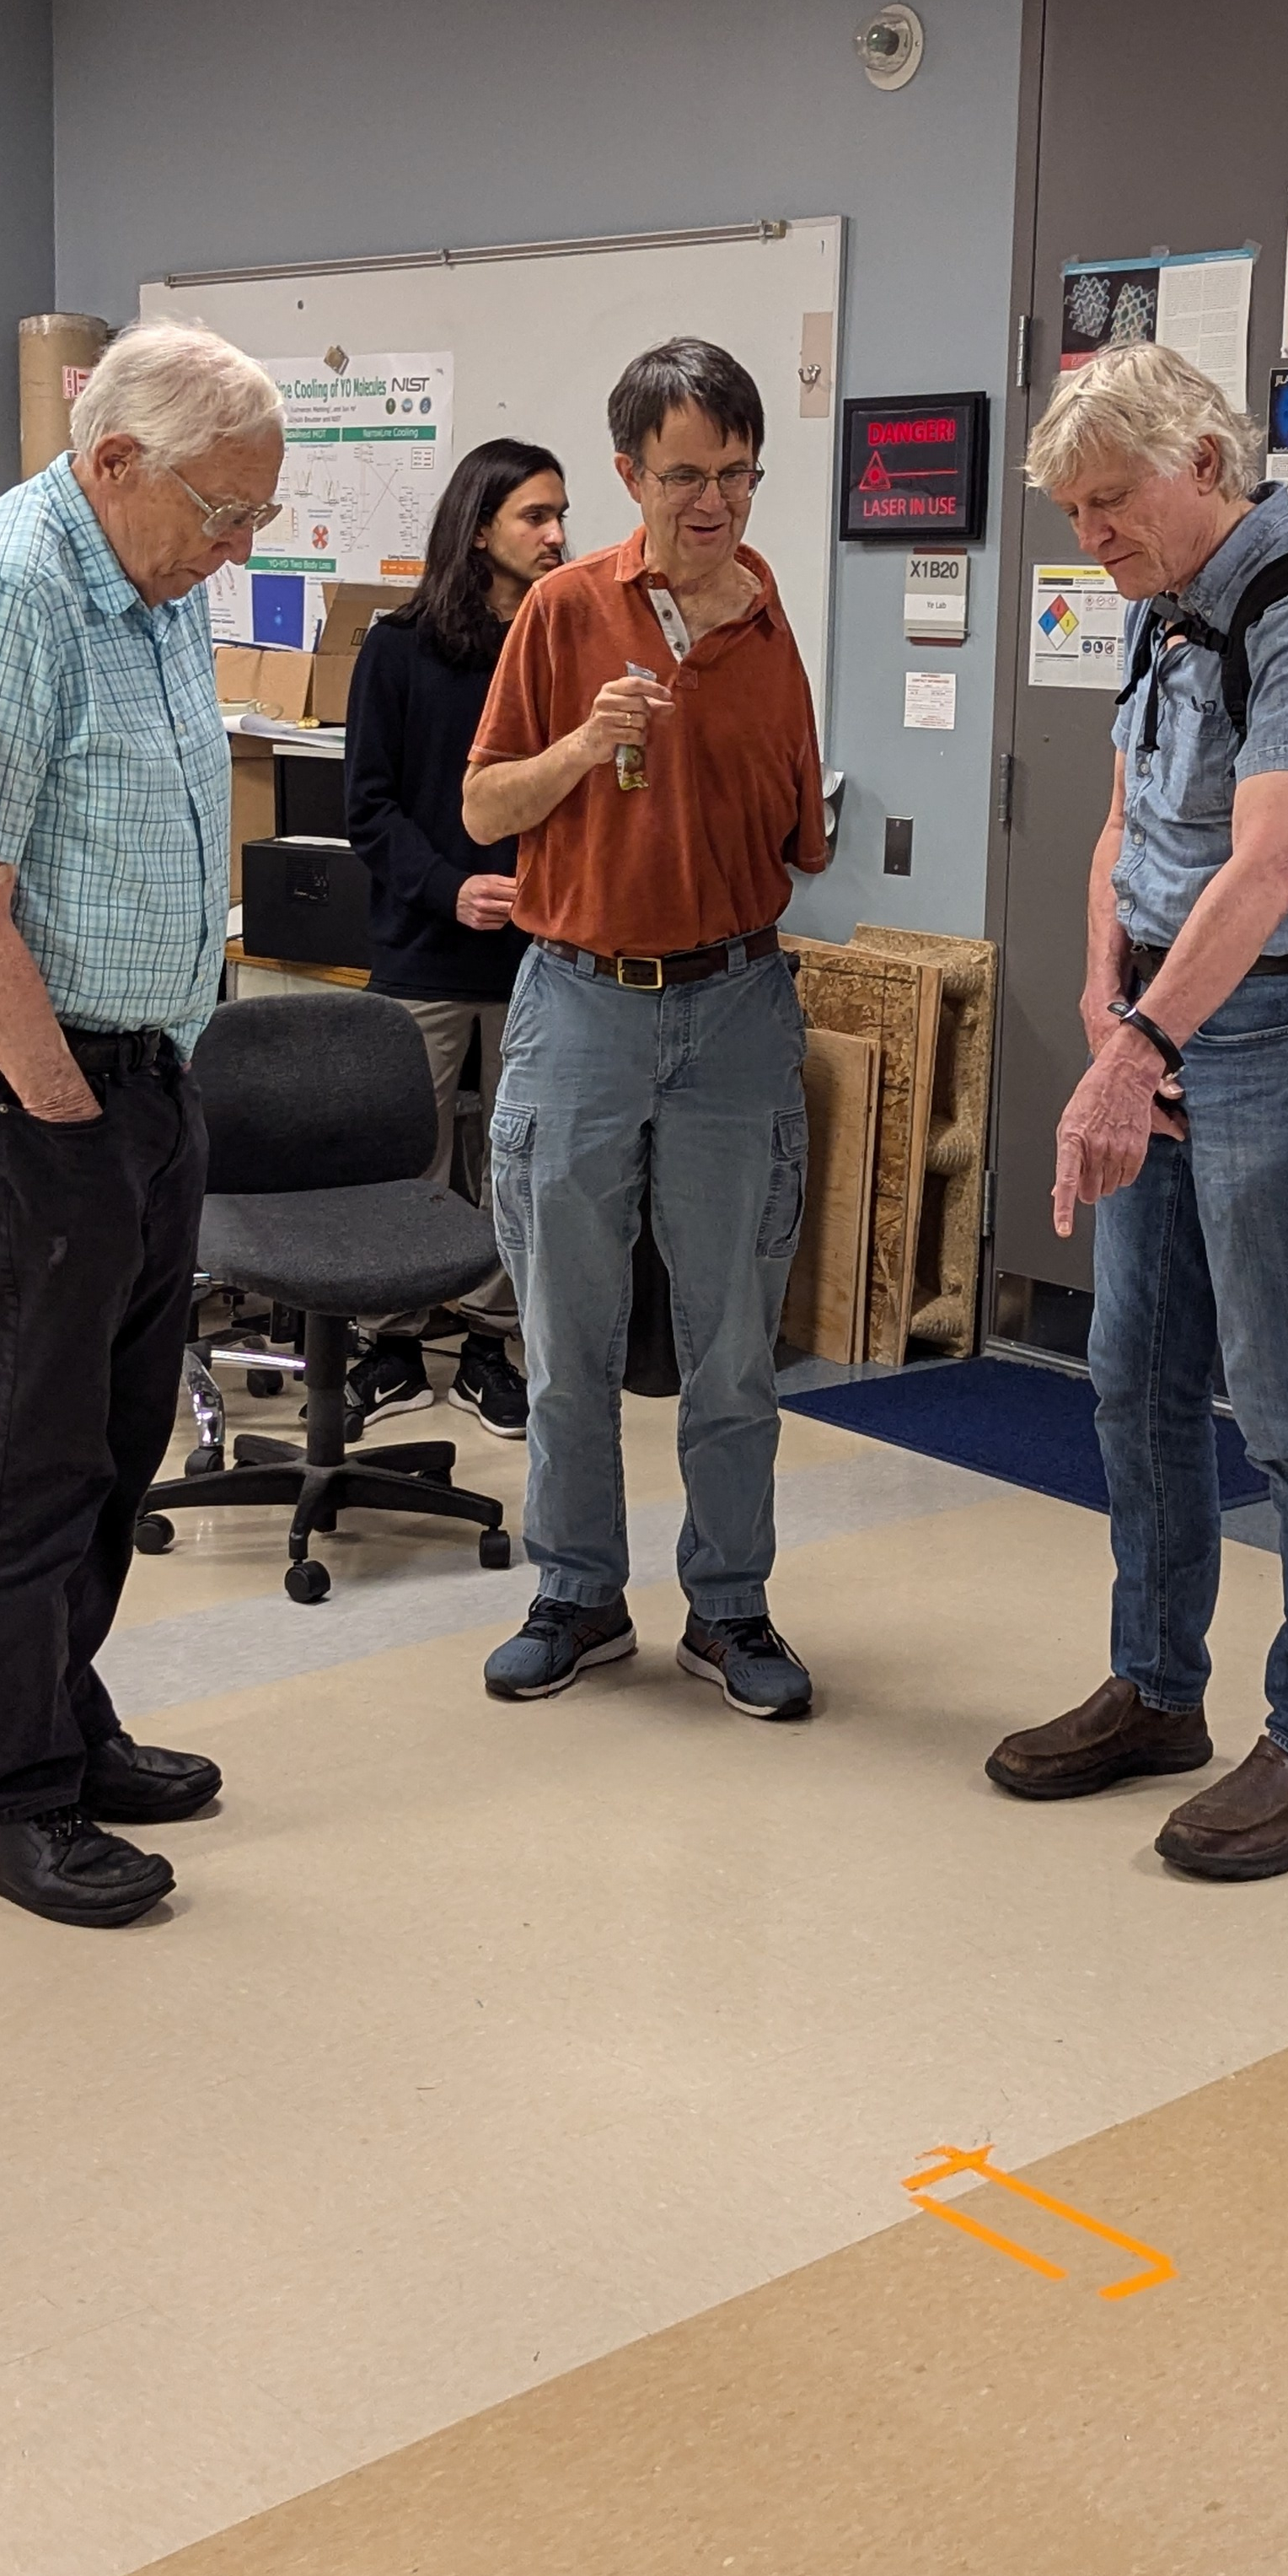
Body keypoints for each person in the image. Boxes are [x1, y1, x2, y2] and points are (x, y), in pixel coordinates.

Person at [0, 321, 287, 1930]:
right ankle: (9, 1794)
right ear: (114, 463)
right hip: (21, 1076)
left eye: (258, 516)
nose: (238, 546)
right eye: (222, 511)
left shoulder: (157, 579)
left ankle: (68, 1707)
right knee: (37, 1450)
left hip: (140, 1073)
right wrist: (66, 1119)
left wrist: (147, 1095)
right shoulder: (5, 592)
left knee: (120, 1441)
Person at [985, 341, 1288, 1880]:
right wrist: (1109, 1001)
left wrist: (1133, 1049)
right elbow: (1121, 827)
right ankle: (1157, 1687)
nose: (1088, 535)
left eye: (1109, 502)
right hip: (1167, 1023)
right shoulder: (1164, 609)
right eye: (1073, 510)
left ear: (1206, 468)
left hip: (1277, 1027)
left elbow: (1266, 862)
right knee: (1133, 1374)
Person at [464, 336, 827, 1722]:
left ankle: (728, 1607)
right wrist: (578, 748)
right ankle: (574, 1594)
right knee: (567, 1328)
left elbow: (796, 836)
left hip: (734, 1004)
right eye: (685, 476)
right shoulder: (560, 610)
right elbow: (484, 809)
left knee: (734, 1339)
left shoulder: (767, 608)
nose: (714, 504)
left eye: (736, 475)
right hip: (578, 1003)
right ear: (627, 472)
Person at [342, 438, 569, 1441]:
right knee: (410, 1153)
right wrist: (449, 888)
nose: (558, 534)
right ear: (481, 529)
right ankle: (388, 1341)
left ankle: (490, 1342)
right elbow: (371, 807)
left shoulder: (569, 645)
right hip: (427, 950)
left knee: (521, 1161)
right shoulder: (398, 649)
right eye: (536, 516)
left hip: (544, 956)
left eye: (563, 515)